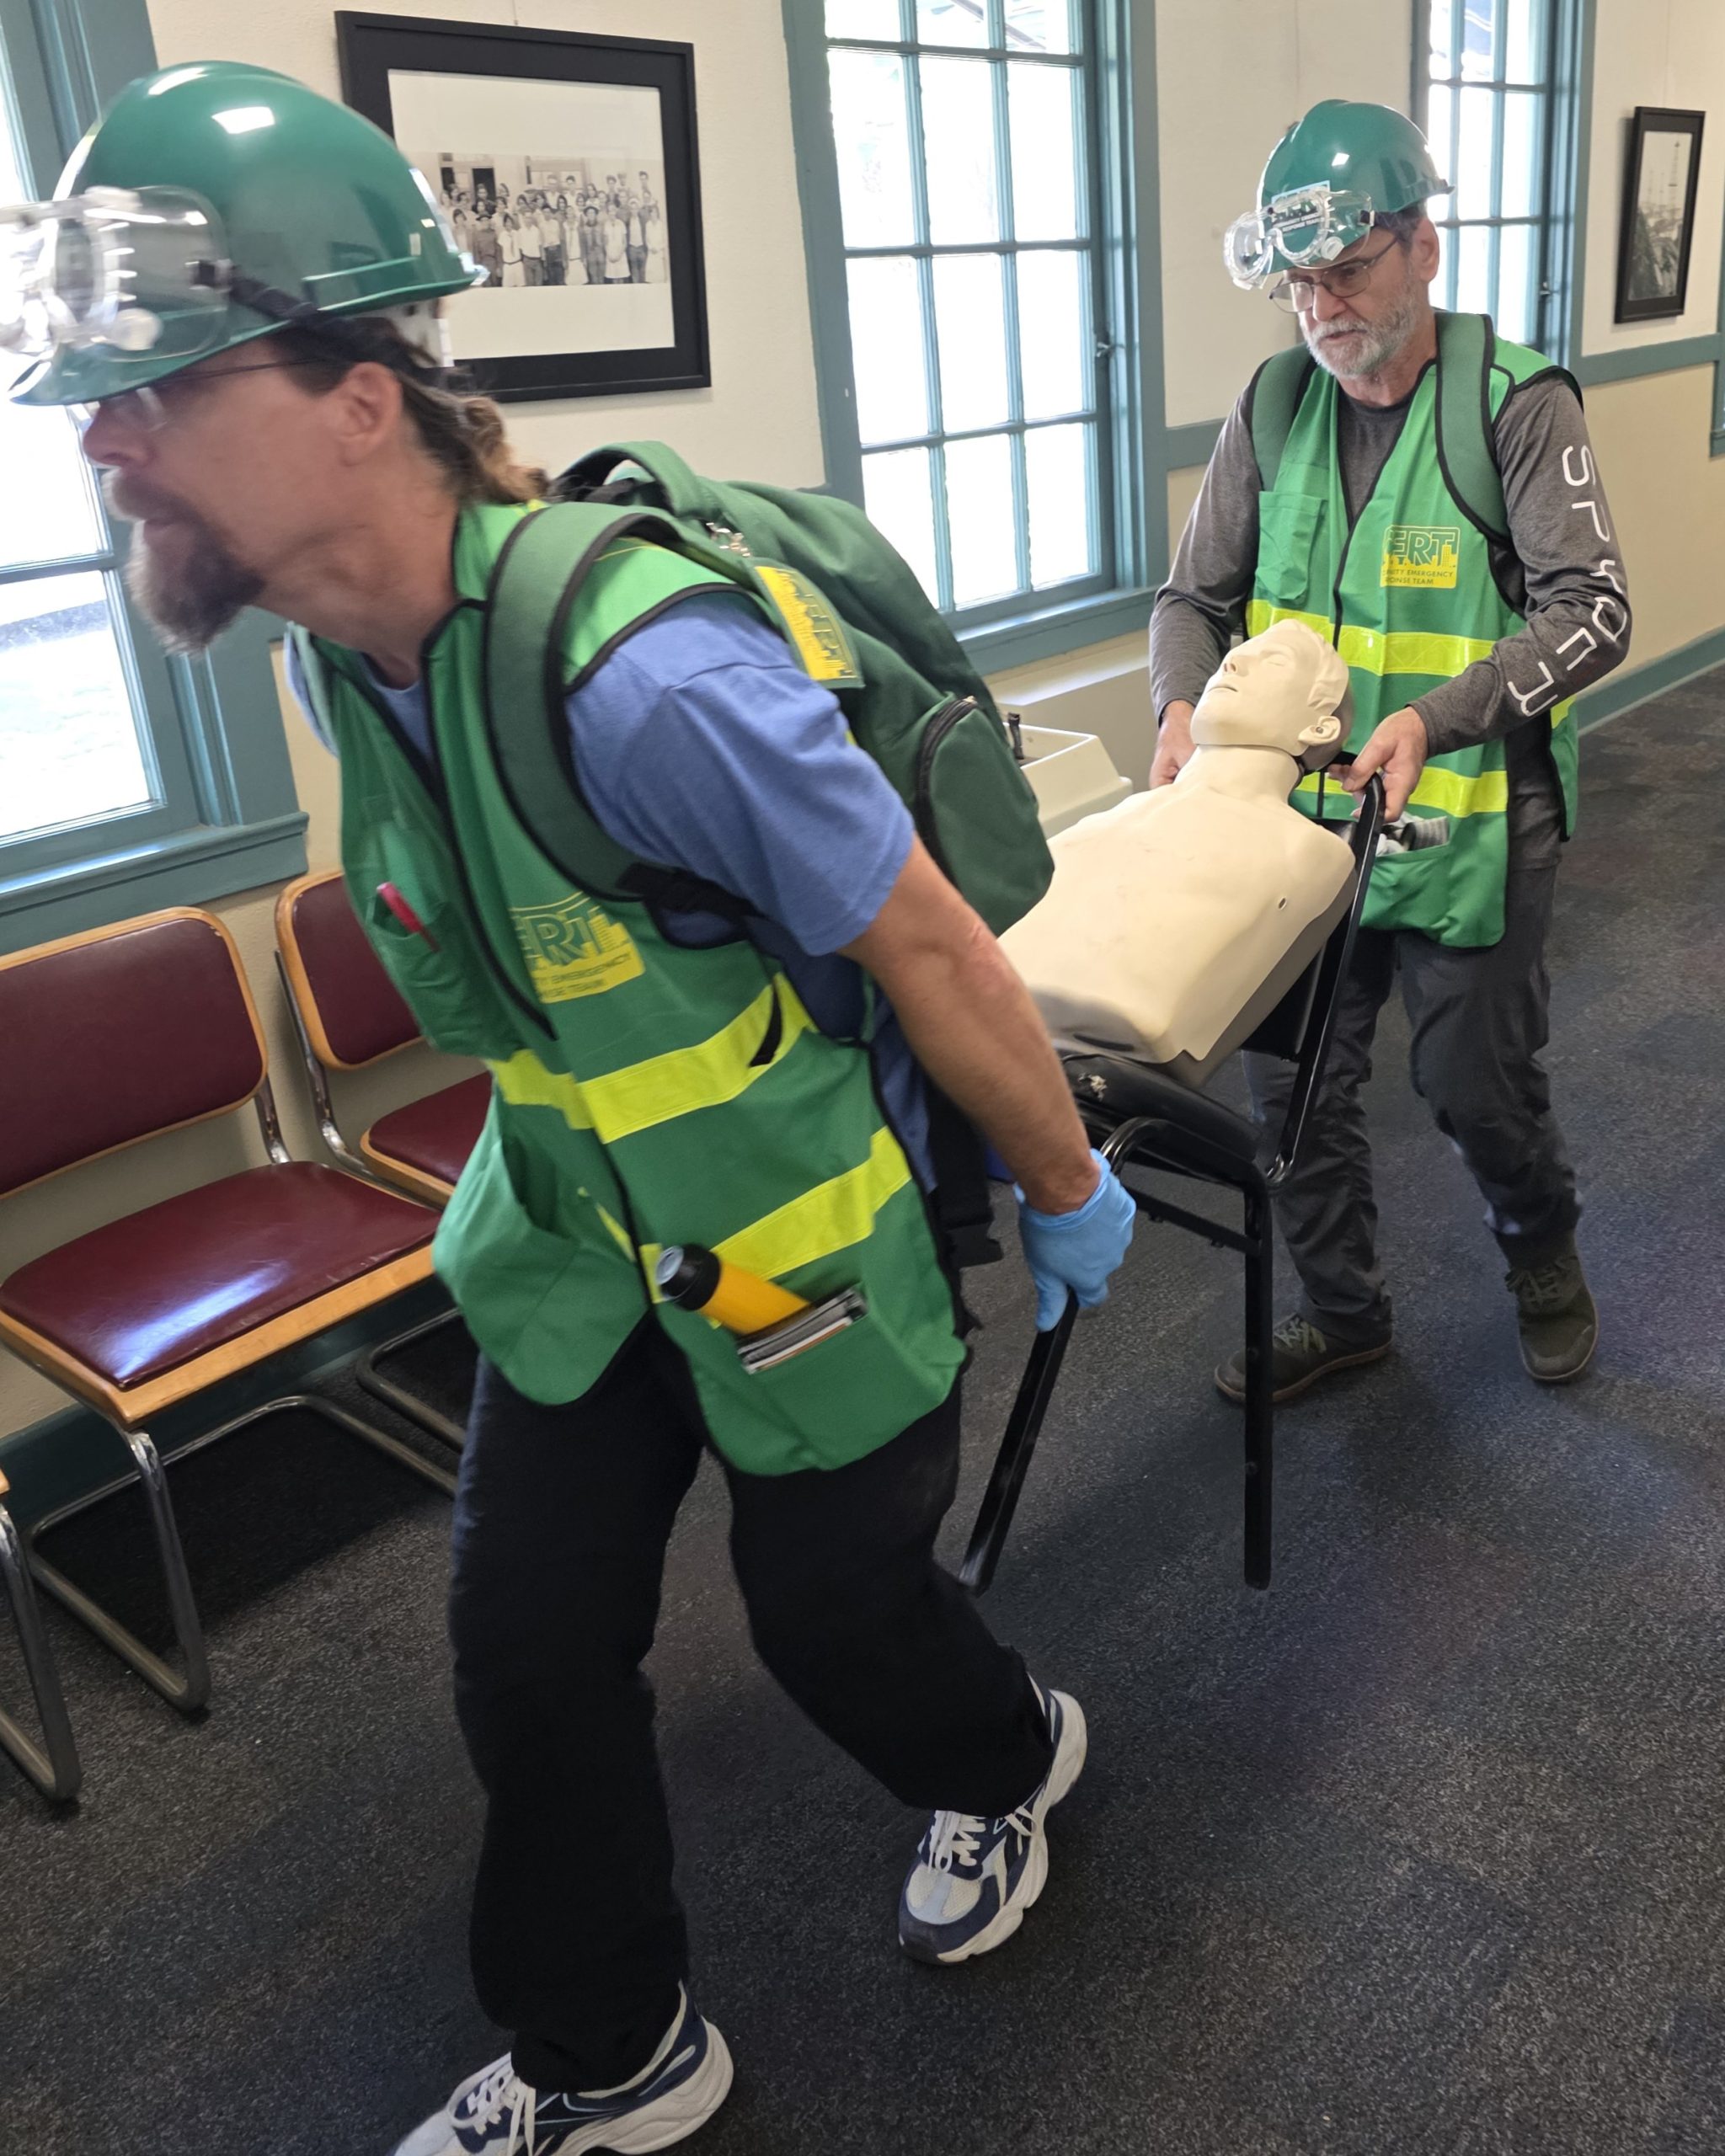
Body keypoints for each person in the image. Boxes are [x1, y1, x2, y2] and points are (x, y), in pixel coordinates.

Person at [13, 61, 1136, 2156]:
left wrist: (1063, 1179)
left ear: (360, 400)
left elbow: (928, 941)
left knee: (833, 1617)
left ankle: (1008, 1759)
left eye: (151, 389)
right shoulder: (340, 658)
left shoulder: (648, 678)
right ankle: (609, 2045)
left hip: (801, 1228)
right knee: (525, 1647)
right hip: (573, 1239)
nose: (102, 441)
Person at [1151, 99, 1631, 1401]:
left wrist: (1434, 717)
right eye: (1300, 283)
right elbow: (1192, 600)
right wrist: (1179, 707)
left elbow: (1594, 612)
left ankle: (1543, 1263)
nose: (1323, 308)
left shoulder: (1514, 406)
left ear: (1424, 247)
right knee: (1291, 1091)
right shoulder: (1273, 406)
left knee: (1476, 1087)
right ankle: (1344, 1312)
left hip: (1472, 817)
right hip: (1304, 833)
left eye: (1351, 270)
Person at [517, 201, 544, 288]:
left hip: (537, 260)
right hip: (527, 260)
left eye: (530, 218)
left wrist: (542, 259)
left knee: (539, 284)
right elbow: (520, 248)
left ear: (532, 219)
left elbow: (540, 245)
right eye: (526, 218)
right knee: (529, 285)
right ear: (523, 219)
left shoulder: (536, 230)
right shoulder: (521, 232)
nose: (528, 220)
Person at [603, 200, 630, 283]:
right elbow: (605, 243)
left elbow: (625, 242)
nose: (612, 213)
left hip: (620, 254)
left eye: (613, 210)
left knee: (621, 278)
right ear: (608, 213)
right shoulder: (606, 224)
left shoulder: (621, 224)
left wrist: (619, 255)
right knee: (614, 279)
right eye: (609, 211)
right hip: (611, 255)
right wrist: (609, 255)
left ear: (616, 211)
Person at [498, 211, 524, 288]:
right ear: (504, 224)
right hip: (508, 265)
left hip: (517, 264)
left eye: (509, 222)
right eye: (506, 222)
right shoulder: (502, 235)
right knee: (508, 288)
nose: (508, 224)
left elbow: (521, 248)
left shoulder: (517, 234)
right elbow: (500, 250)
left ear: (512, 223)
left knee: (520, 286)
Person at [644, 200, 668, 285]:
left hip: (659, 253)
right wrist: (651, 248)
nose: (653, 214)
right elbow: (647, 239)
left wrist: (657, 248)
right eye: (651, 212)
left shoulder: (661, 225)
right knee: (651, 279)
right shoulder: (648, 225)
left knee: (659, 278)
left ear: (657, 213)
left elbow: (665, 241)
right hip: (651, 253)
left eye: (655, 212)